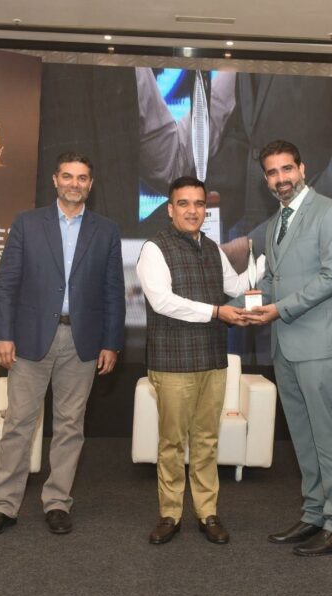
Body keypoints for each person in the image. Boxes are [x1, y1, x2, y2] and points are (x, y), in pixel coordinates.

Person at [0, 152, 125, 538]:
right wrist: (3, 334)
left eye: (82, 178)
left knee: (70, 426)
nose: (75, 183)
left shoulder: (106, 231)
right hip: (29, 340)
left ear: (91, 184)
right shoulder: (27, 223)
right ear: (55, 181)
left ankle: (58, 502)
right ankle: (4, 506)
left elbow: (113, 290)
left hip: (82, 341)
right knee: (18, 424)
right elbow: (6, 284)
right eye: (68, 176)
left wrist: (112, 342)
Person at [243, 140, 332, 557]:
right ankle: (314, 514)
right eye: (272, 172)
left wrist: (279, 309)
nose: (281, 179)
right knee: (304, 437)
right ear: (265, 179)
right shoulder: (277, 221)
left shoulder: (330, 212)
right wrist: (239, 309)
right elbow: (272, 280)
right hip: (286, 345)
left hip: (320, 344)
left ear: (302, 169)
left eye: (287, 169)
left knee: (328, 434)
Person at [136, 176, 257, 545]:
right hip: (172, 362)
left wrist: (268, 259)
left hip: (212, 360)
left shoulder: (212, 248)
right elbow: (163, 302)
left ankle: (207, 512)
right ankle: (170, 514)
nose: (192, 211)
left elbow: (236, 287)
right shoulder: (154, 248)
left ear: (206, 209)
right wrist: (218, 312)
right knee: (172, 443)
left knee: (206, 441)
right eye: (184, 203)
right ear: (170, 209)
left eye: (199, 204)